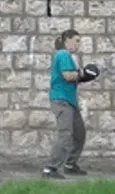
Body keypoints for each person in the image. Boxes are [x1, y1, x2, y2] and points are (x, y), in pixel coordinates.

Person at [42, 29, 99, 179]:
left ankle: (70, 164)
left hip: (70, 101)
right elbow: (67, 75)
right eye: (77, 40)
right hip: (61, 100)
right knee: (65, 135)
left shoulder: (68, 56)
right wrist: (83, 72)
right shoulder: (62, 54)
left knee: (79, 133)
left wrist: (85, 76)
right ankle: (50, 169)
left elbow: (74, 77)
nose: (79, 44)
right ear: (67, 39)